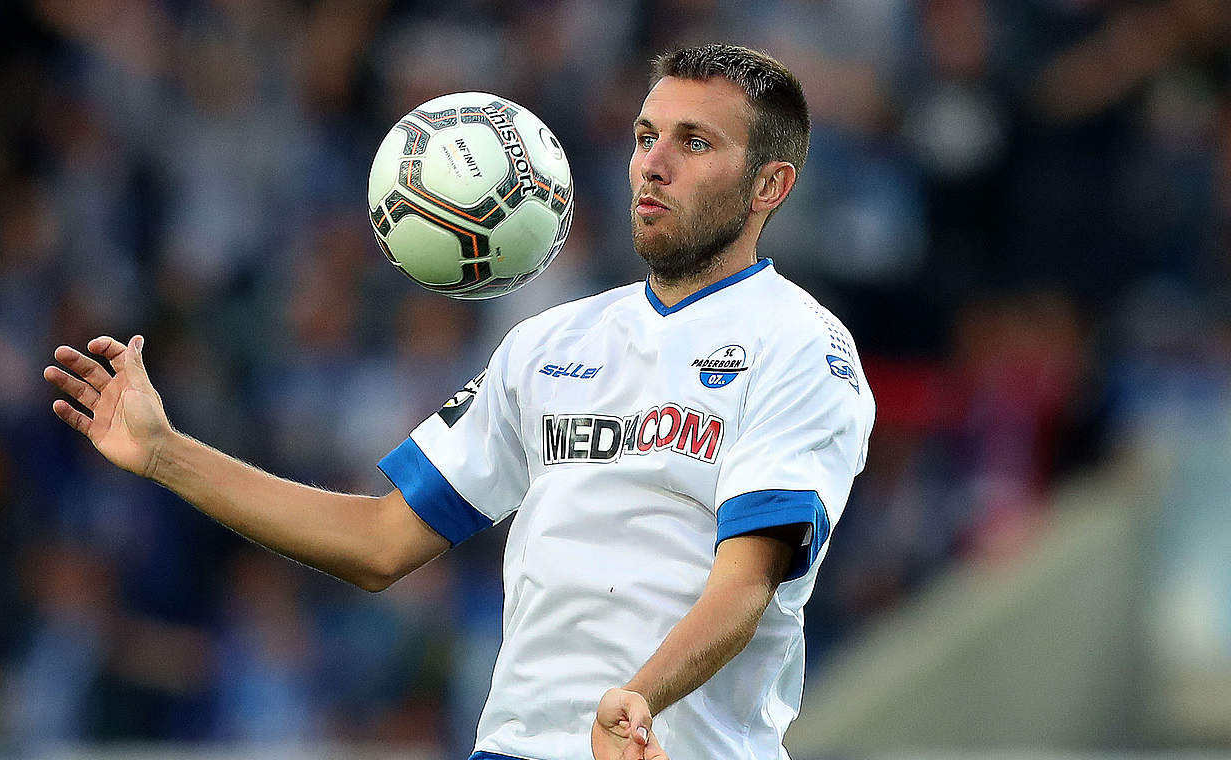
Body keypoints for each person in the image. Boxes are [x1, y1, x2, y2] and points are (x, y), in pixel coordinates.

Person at [44, 44, 874, 760]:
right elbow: (378, 541)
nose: (654, 163)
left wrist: (639, 698)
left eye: (695, 143)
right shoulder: (548, 345)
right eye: (646, 136)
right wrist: (164, 453)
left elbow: (747, 580)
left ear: (771, 183)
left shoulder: (802, 345)